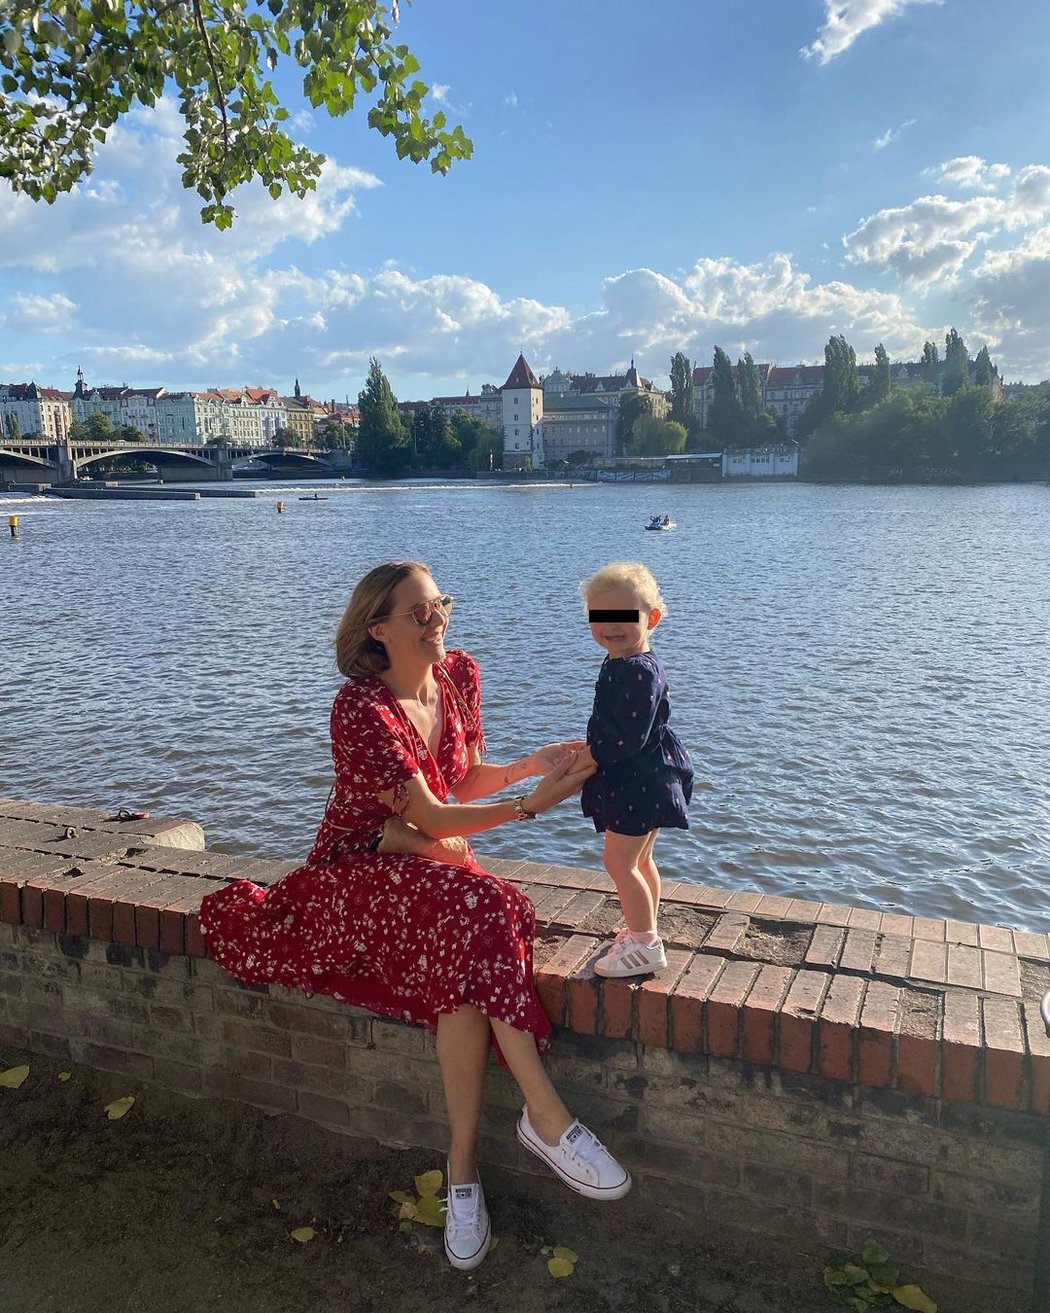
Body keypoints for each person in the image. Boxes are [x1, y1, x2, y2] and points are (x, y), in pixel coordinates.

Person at [198, 560, 631, 1274]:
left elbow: (463, 779)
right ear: (378, 629)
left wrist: (531, 765)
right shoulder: (359, 709)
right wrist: (530, 805)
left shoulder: (459, 673)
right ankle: (545, 1117)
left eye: (440, 605)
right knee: (486, 904)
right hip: (357, 868)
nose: (438, 620)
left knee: (465, 937)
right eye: (418, 612)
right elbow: (429, 812)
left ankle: (463, 1167)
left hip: (430, 860)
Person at [575, 561, 694, 978]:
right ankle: (644, 930)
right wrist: (590, 746)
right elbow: (621, 729)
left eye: (624, 616)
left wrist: (587, 757)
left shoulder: (637, 671)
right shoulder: (623, 661)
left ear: (652, 618)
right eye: (600, 616)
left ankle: (645, 944)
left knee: (619, 862)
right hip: (649, 775)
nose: (611, 626)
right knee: (641, 860)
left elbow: (627, 738)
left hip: (638, 780)